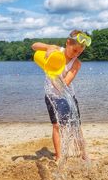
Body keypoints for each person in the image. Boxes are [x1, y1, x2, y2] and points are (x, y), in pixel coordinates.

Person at [31, 30, 91, 162]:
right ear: (68, 42)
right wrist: (49, 47)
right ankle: (58, 156)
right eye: (74, 50)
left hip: (67, 95)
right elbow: (34, 46)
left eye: (79, 52)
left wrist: (54, 75)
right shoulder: (57, 50)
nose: (76, 54)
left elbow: (65, 83)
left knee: (76, 125)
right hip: (51, 96)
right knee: (57, 126)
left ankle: (83, 153)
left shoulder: (76, 64)